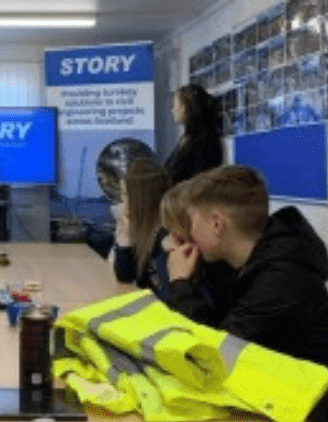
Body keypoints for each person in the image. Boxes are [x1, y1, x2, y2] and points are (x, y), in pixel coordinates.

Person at [161, 165, 328, 367]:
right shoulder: (236, 261)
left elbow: (213, 356)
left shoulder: (284, 279)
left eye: (191, 222)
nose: (188, 234)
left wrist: (180, 283)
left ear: (216, 224)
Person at [112, 158, 170, 294]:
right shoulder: (142, 229)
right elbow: (124, 276)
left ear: (140, 202)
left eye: (125, 195)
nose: (121, 202)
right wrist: (125, 236)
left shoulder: (166, 238)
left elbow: (164, 295)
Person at [165, 83, 223, 185]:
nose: (173, 110)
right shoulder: (188, 138)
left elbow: (200, 182)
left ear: (186, 108)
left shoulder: (206, 141)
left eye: (175, 105)